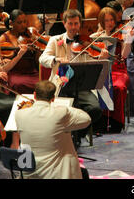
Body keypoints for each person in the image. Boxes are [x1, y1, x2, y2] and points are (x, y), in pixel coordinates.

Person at [39, 9, 104, 140]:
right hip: (61, 84)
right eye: (70, 24)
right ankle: (65, 136)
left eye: (76, 24)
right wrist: (55, 60)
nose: (73, 27)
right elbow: (42, 58)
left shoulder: (87, 42)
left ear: (80, 24)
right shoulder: (55, 40)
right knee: (64, 109)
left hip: (81, 85)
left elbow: (93, 62)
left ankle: (76, 136)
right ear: (64, 24)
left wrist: (100, 57)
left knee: (95, 109)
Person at [15, 80, 91, 179]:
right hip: (54, 173)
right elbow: (86, 119)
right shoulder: (61, 113)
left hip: (28, 171)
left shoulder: (19, 114)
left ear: (34, 95)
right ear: (53, 98)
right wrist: (64, 108)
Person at [90, 7, 133, 131]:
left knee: (118, 87)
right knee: (97, 86)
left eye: (111, 20)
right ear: (101, 22)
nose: (109, 23)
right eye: (106, 21)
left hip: (118, 70)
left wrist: (128, 40)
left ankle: (116, 122)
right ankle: (101, 121)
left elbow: (124, 56)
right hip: (103, 70)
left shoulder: (122, 35)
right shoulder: (97, 37)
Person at [0, 9, 40, 94]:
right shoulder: (3, 38)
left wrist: (37, 49)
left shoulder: (30, 35)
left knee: (42, 84)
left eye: (25, 22)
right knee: (18, 84)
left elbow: (37, 60)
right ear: (11, 23)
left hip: (32, 71)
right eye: (19, 23)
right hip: (14, 72)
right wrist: (3, 61)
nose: (23, 25)